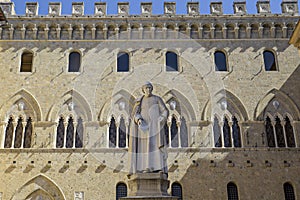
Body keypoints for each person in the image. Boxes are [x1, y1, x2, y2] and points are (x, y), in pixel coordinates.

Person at [128, 82, 169, 175]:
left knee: (155, 147)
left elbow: (165, 110)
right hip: (144, 128)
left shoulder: (157, 99)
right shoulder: (139, 101)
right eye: (146, 88)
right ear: (143, 90)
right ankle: (144, 167)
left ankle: (158, 167)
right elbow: (135, 114)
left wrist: (162, 118)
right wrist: (138, 120)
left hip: (155, 126)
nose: (148, 90)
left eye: (150, 88)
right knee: (144, 148)